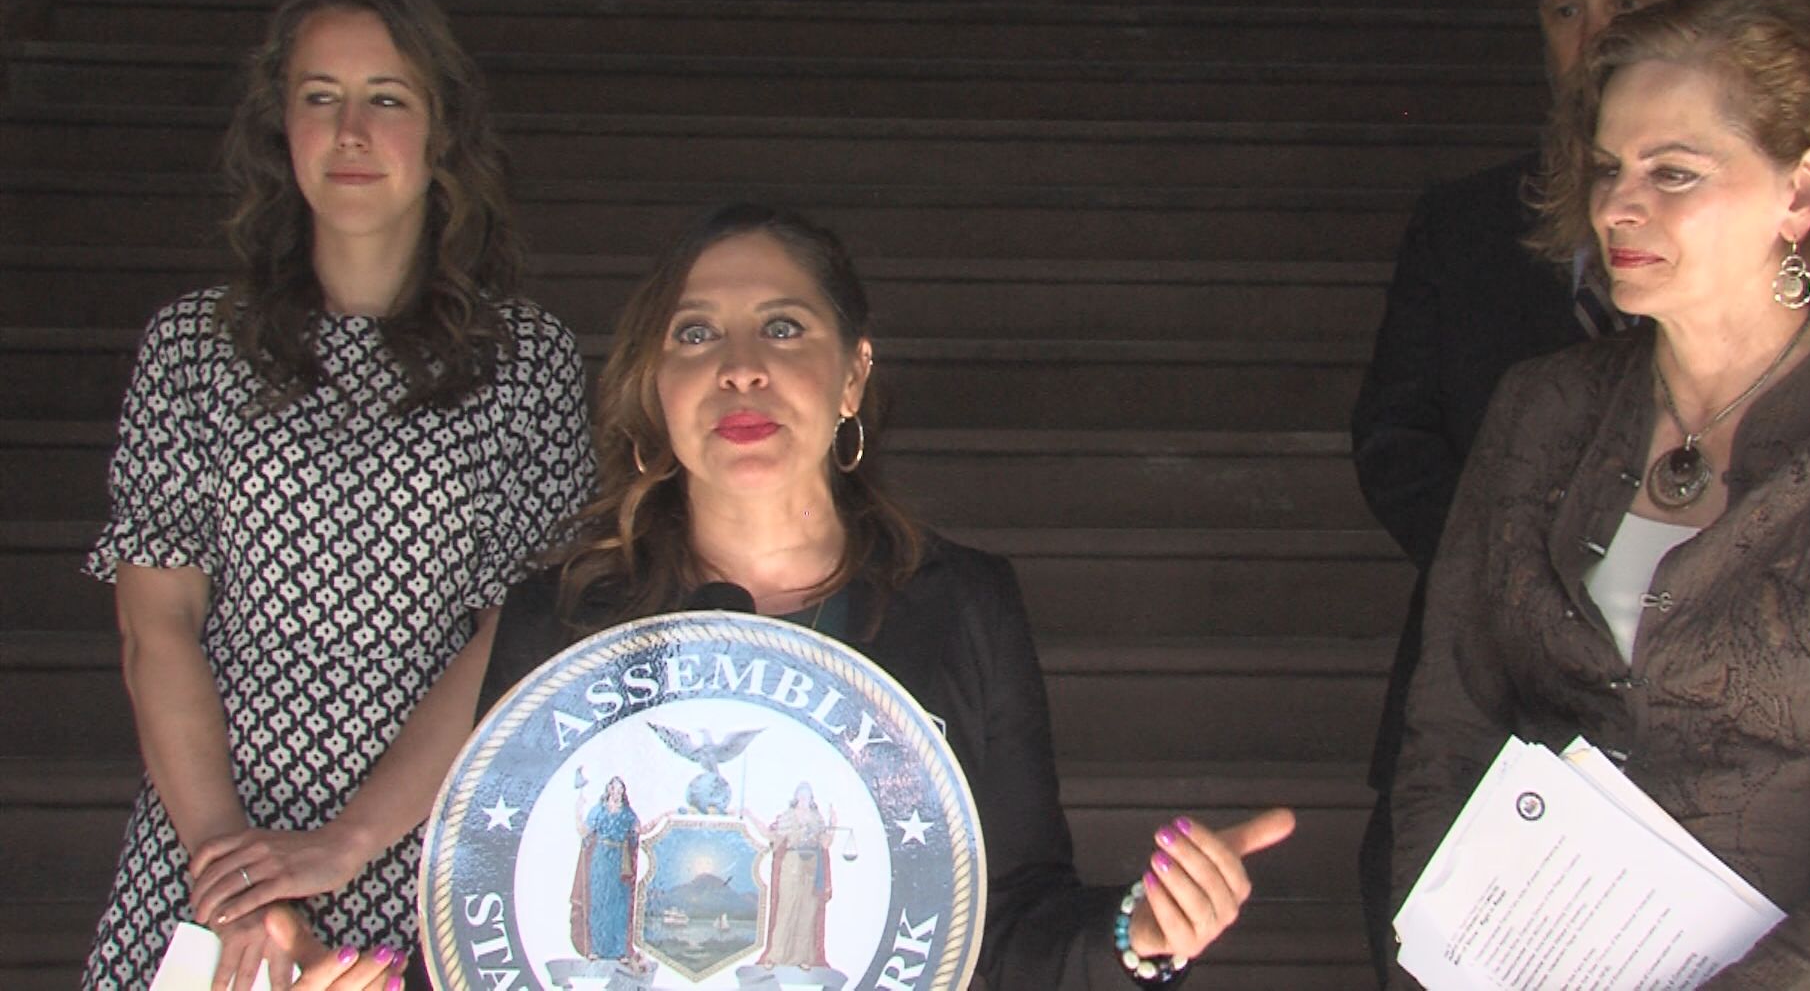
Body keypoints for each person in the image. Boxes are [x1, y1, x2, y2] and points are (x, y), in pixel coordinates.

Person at [276, 202, 1299, 991]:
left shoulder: (963, 605)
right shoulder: (563, 622)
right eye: (694, 336)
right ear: (657, 391)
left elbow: (1014, 919)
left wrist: (1139, 935)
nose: (739, 370)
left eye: (782, 328)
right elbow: (494, 932)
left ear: (853, 375)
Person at [1390, 0, 1810, 986]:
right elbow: (1448, 734)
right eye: (1607, 168)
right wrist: (1441, 958)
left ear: (1805, 190)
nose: (1615, 206)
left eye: (1672, 172)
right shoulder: (1541, 407)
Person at [79, 0, 595, 990]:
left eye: (386, 98)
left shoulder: (528, 360)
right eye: (320, 96)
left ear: (440, 136)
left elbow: (517, 635)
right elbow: (156, 627)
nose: (351, 131)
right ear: (283, 129)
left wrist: (346, 844)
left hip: (434, 839)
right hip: (214, 843)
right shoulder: (192, 346)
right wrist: (244, 885)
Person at [1349, 0, 1709, 978]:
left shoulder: (1800, 254)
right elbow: (1395, 437)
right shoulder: (1464, 225)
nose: (1596, 35)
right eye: (1566, 8)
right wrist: (1520, 577)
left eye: (1629, 3)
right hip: (1487, 718)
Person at [751, 782, 834, 970]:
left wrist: (833, 823)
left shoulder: (817, 819)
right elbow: (772, 836)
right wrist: (751, 817)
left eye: (807, 796)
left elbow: (825, 843)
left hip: (811, 866)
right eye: (801, 795)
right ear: (796, 797)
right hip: (791, 863)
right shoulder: (787, 817)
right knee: (786, 908)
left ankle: (804, 957)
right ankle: (776, 955)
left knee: (808, 911)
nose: (804, 799)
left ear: (811, 799)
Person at [571, 777, 640, 961]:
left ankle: (619, 951)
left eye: (620, 789)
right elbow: (585, 831)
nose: (617, 792)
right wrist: (578, 810)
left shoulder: (627, 813)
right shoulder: (599, 810)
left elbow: (638, 832)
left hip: (619, 862)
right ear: (609, 789)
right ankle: (596, 949)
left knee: (619, 905)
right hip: (601, 860)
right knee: (599, 902)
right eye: (614, 789)